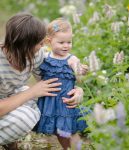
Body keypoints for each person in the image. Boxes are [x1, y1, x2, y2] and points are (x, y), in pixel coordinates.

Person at [0, 13, 84, 150]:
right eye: (40, 43)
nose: (43, 45)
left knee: (37, 104)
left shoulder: (35, 55)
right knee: (25, 117)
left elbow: (54, 82)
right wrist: (33, 91)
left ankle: (9, 142)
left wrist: (79, 90)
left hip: (7, 97)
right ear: (25, 46)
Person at [35, 18, 88, 150]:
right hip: (50, 102)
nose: (66, 46)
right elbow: (36, 72)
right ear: (49, 41)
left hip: (65, 101)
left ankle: (70, 147)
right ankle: (68, 147)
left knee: (66, 128)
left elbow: (78, 76)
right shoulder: (45, 57)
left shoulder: (71, 59)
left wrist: (81, 71)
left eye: (69, 42)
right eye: (61, 42)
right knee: (57, 129)